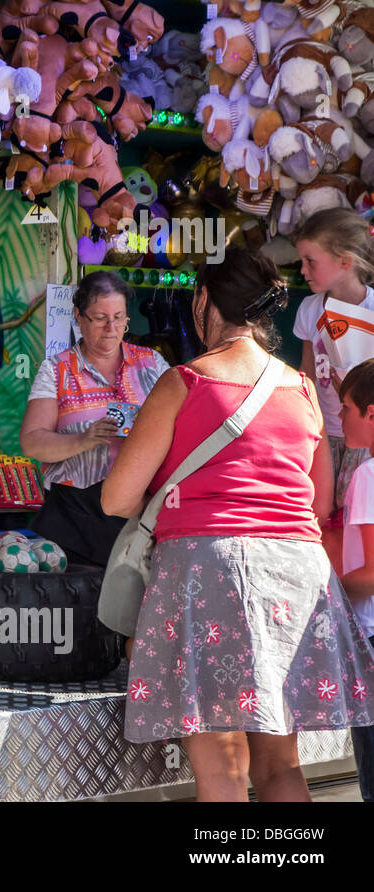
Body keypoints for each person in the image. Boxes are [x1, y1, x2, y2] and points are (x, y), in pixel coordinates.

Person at [101, 247, 374, 802]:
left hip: (209, 572)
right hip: (297, 574)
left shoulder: (185, 382)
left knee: (223, 771)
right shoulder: (301, 390)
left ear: (203, 301)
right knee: (280, 766)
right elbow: (318, 500)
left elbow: (116, 498)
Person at [21, 270, 169, 489]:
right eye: (100, 319)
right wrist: (82, 440)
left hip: (138, 504)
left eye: (118, 318)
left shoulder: (151, 363)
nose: (111, 329)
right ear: (79, 316)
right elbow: (32, 443)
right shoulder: (56, 370)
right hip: (75, 509)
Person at [292, 209, 374, 564]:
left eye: (311, 261)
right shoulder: (310, 310)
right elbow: (306, 377)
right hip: (324, 435)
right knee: (322, 517)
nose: (303, 271)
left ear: (345, 261)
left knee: (359, 517)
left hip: (364, 440)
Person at [335, 360, 374, 802]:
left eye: (346, 408)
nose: (340, 417)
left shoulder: (367, 475)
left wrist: (325, 593)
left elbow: (372, 574)